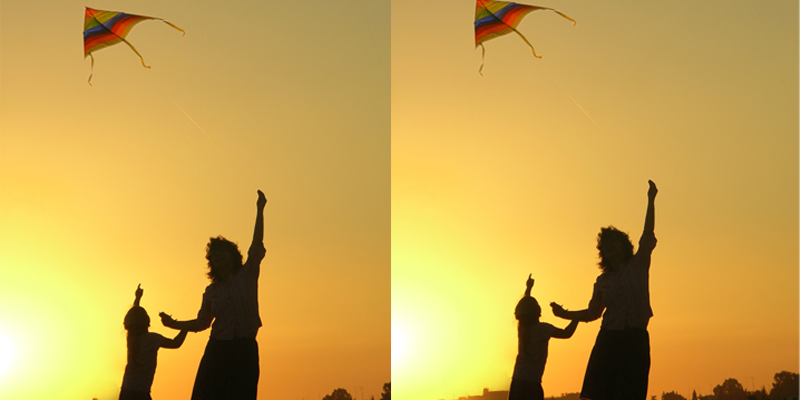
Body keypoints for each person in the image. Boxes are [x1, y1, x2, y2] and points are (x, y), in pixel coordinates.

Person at [550, 180, 658, 400]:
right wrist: (564, 314)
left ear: (623, 245)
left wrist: (651, 199)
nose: (608, 246)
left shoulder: (638, 264)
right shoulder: (602, 281)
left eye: (612, 242)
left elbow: (647, 234)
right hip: (608, 340)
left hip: (635, 338)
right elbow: (593, 313)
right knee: (599, 394)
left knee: (631, 392)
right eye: (604, 245)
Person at [159, 190, 267, 400]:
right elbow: (202, 323)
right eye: (213, 255)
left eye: (221, 252)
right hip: (217, 349)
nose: (217, 256)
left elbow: (256, 245)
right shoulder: (211, 291)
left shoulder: (247, 274)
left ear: (232, 255)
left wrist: (260, 209)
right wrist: (174, 324)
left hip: (244, 349)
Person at [510, 274, 579, 400]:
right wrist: (577, 317)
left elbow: (526, 305)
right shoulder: (543, 329)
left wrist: (528, 288)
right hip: (532, 383)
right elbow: (566, 333)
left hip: (517, 383)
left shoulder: (522, 328)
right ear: (538, 312)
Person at [120, 285, 188, 400]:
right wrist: (186, 327)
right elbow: (176, 343)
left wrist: (137, 298)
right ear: (147, 322)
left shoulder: (131, 338)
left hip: (126, 391)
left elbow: (135, 316)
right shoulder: (152, 339)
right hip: (141, 392)